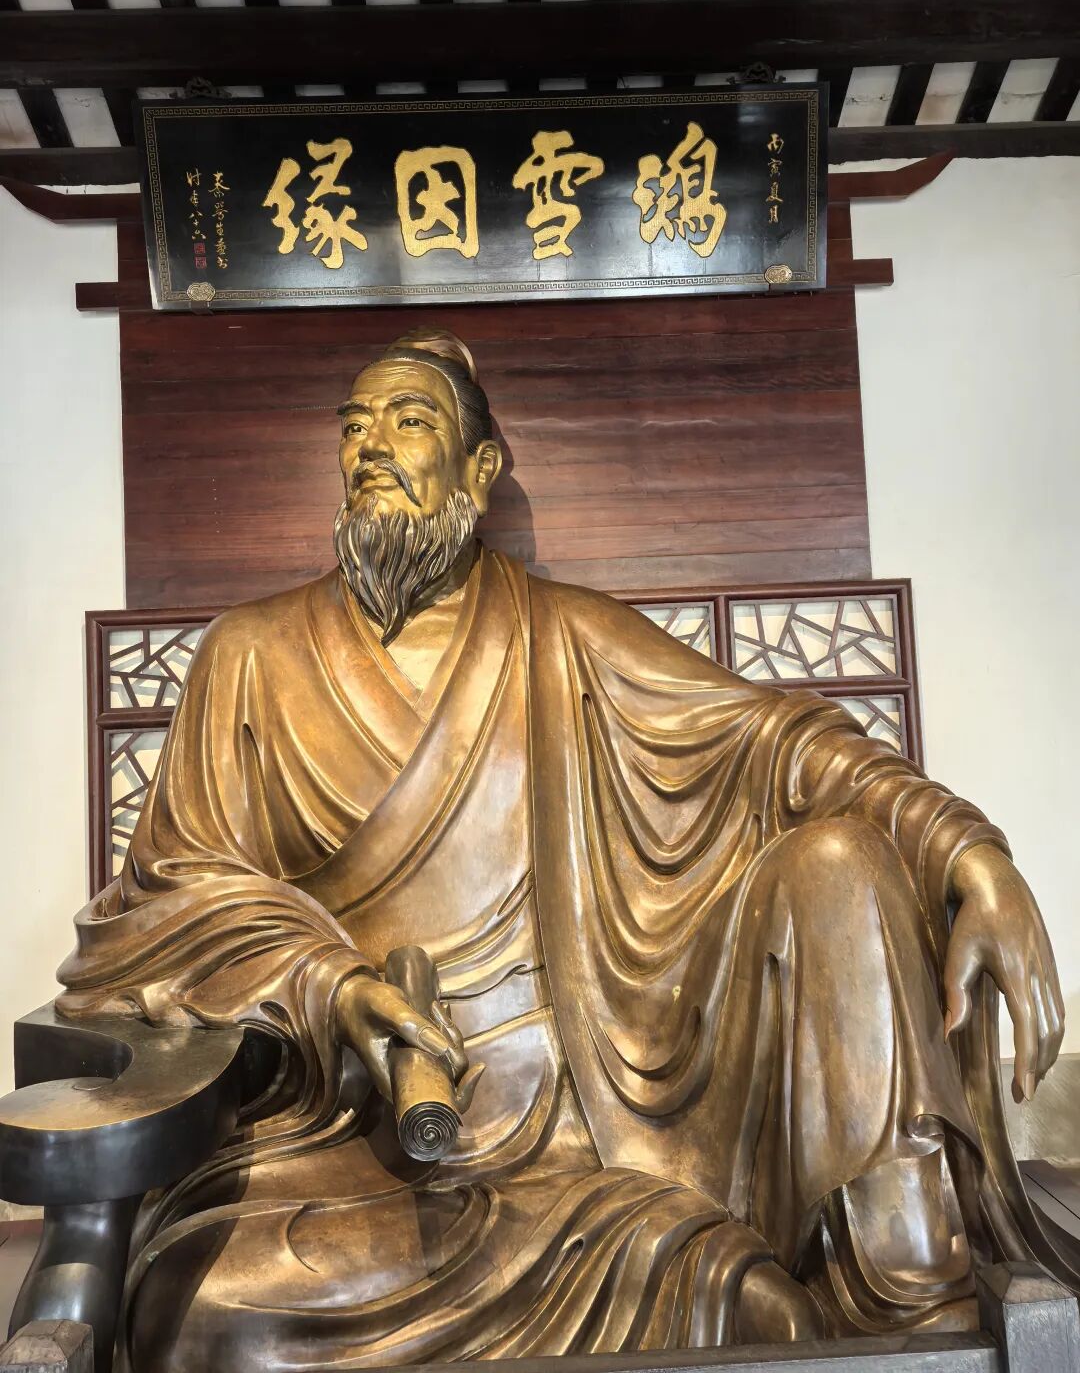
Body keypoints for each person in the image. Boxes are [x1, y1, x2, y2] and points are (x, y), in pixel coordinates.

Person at [60, 330, 1072, 1371]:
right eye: (354, 428)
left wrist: (971, 856)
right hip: (361, 1137)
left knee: (835, 861)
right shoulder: (249, 654)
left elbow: (783, 744)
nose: (372, 448)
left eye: (408, 421)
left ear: (479, 471)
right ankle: (715, 1293)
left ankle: (877, 1298)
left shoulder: (565, 637)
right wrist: (333, 987)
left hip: (580, 1130)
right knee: (201, 1313)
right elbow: (175, 898)